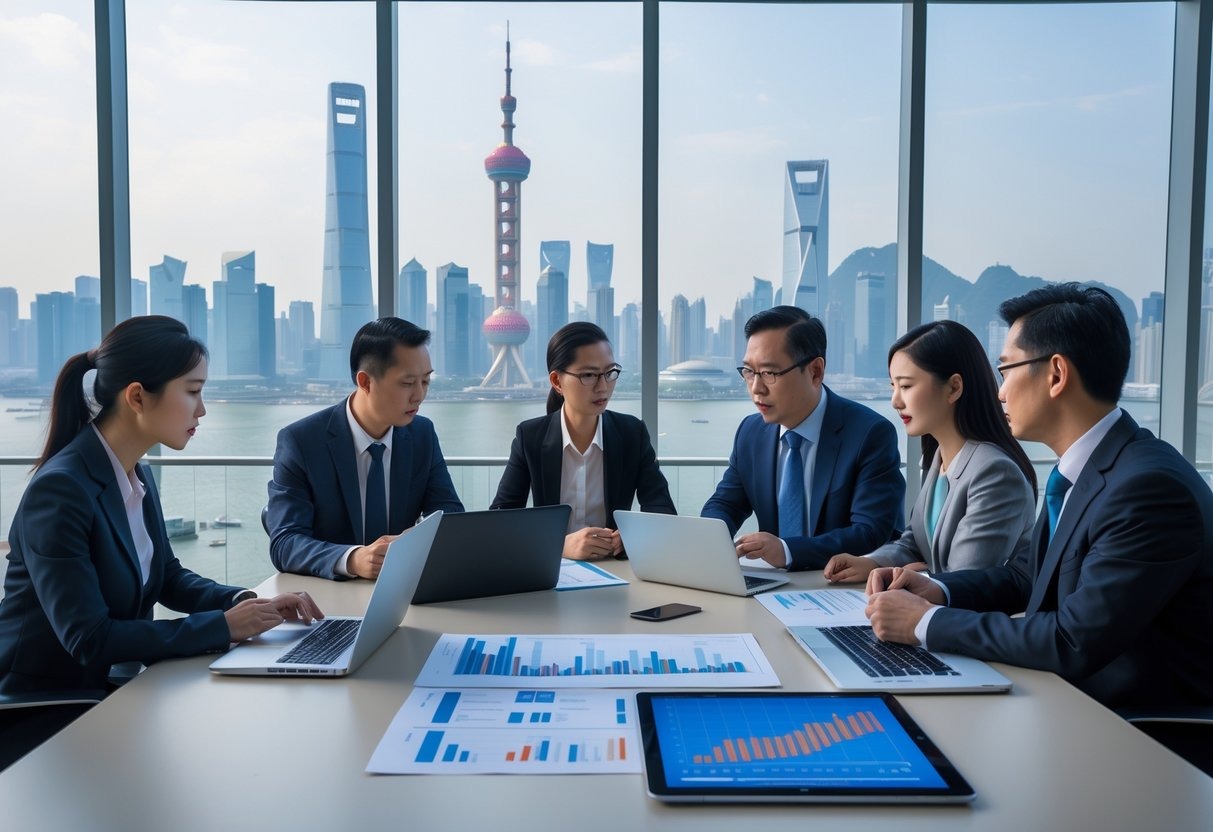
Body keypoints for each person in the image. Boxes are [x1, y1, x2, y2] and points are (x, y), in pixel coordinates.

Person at [866, 284, 1213, 709]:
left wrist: (926, 623)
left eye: (1007, 369)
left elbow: (1073, 639)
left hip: (1137, 731)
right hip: (1068, 703)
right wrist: (937, 589)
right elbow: (1024, 578)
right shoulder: (1085, 471)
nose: (999, 392)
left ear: (1055, 375)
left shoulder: (1149, 490)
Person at [0, 316, 321, 765]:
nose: (202, 410)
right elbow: (89, 640)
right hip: (47, 707)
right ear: (136, 396)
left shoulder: (135, 470)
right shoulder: (60, 491)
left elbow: (167, 576)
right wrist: (223, 628)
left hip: (114, 690)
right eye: (192, 391)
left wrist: (247, 602)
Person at [823, 320, 1036, 584]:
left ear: (954, 387)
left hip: (964, 621)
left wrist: (915, 575)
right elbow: (914, 542)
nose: (895, 400)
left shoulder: (995, 473)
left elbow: (964, 580)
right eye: (893, 386)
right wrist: (870, 562)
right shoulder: (939, 459)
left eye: (907, 386)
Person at [702, 306, 905, 571]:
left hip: (841, 588)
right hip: (773, 587)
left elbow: (870, 531)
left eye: (769, 373)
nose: (756, 388)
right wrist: (711, 539)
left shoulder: (870, 433)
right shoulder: (750, 433)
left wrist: (787, 550)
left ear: (815, 371)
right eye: (749, 372)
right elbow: (725, 504)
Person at [267, 317, 464, 580]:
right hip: (329, 599)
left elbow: (449, 513)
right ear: (366, 382)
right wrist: (352, 559)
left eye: (426, 381)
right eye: (407, 383)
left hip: (402, 590)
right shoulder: (301, 442)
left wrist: (417, 537)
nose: (419, 395)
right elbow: (285, 543)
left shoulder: (422, 434)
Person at [490, 322, 675, 559]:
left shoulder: (631, 433)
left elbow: (662, 510)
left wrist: (633, 534)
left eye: (610, 373)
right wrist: (559, 546)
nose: (603, 386)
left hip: (616, 572)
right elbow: (500, 521)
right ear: (557, 381)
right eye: (588, 375)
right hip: (551, 571)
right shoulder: (531, 437)